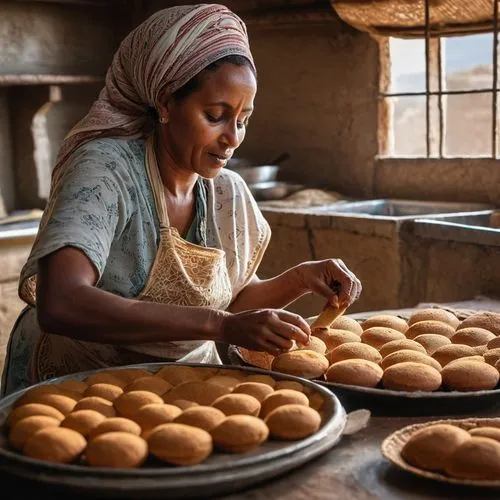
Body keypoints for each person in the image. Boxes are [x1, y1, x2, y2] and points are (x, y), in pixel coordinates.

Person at [1, 4, 361, 396]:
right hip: (77, 385)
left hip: (176, 387)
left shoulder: (227, 193)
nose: (234, 138)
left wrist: (299, 279)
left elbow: (232, 301)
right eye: (216, 116)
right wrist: (218, 326)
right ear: (166, 103)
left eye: (242, 119)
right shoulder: (106, 171)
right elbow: (63, 302)